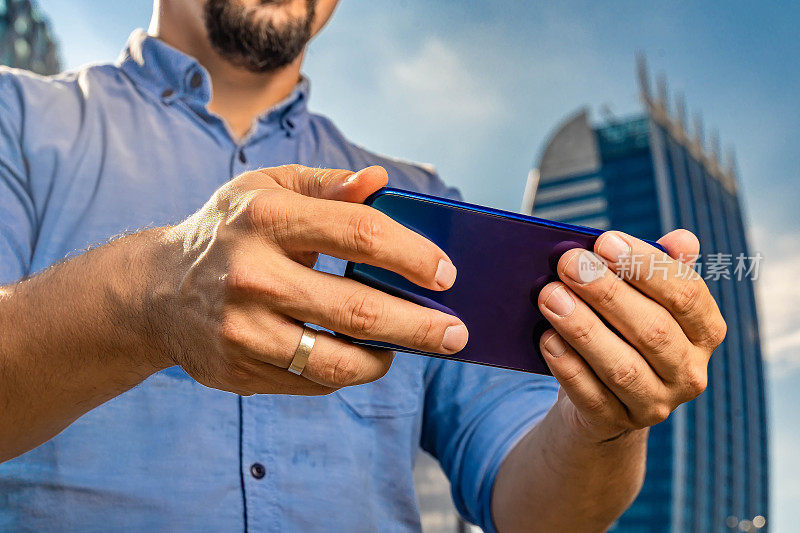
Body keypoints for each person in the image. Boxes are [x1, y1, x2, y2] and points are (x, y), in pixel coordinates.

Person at [0, 1, 726, 531]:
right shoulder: (17, 116)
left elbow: (535, 509)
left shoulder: (426, 202)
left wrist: (608, 418)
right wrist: (147, 300)